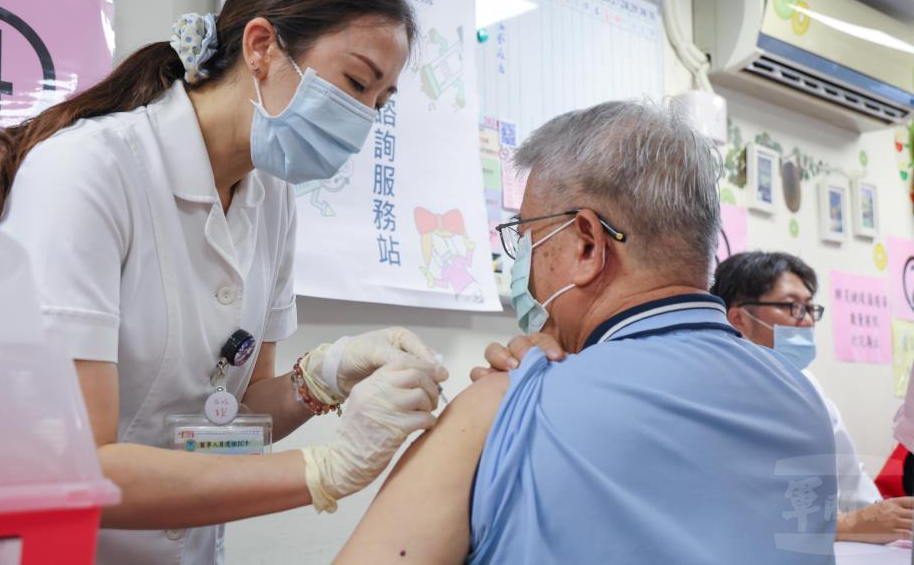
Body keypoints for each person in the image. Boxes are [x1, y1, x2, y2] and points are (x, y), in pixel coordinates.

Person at [0, 0, 447, 565]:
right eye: (356, 82)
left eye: (380, 101)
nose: (363, 120)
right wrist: (328, 468)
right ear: (263, 46)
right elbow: (81, 464)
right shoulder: (90, 171)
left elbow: (233, 421)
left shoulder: (271, 202)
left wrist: (323, 378)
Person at [335, 101, 838, 564]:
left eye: (526, 239)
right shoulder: (803, 402)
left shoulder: (505, 406)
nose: (525, 267)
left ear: (586, 245)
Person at [712, 251, 913, 544]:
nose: (807, 321)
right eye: (792, 306)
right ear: (739, 318)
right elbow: (726, 509)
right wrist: (842, 525)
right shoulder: (710, 394)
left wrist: (883, 519)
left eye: (809, 307)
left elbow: (852, 483)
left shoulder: (807, 385)